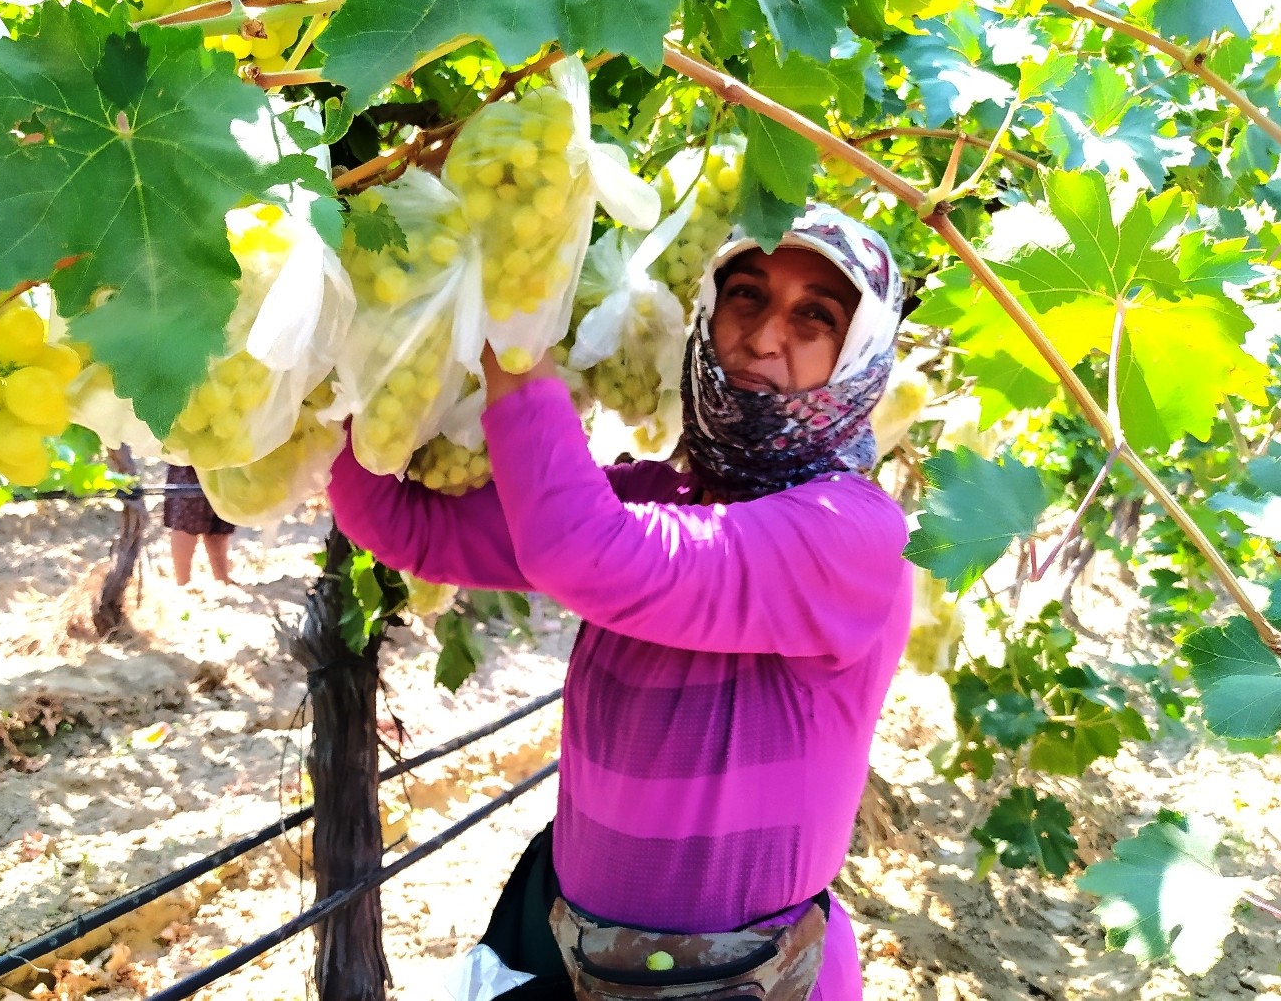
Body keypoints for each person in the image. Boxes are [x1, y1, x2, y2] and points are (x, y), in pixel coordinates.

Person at [328, 203, 911, 1001]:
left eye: (817, 317)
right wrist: (358, 357)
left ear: (863, 358)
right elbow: (408, 525)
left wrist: (514, 336)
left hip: (745, 984)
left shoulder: (853, 537)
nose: (764, 336)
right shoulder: (659, 498)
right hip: (589, 965)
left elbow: (586, 551)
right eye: (746, 294)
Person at [162, 463, 234, 586]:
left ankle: (223, 580)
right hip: (189, 464)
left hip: (223, 465)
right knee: (185, 521)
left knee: (220, 523)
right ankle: (183, 583)